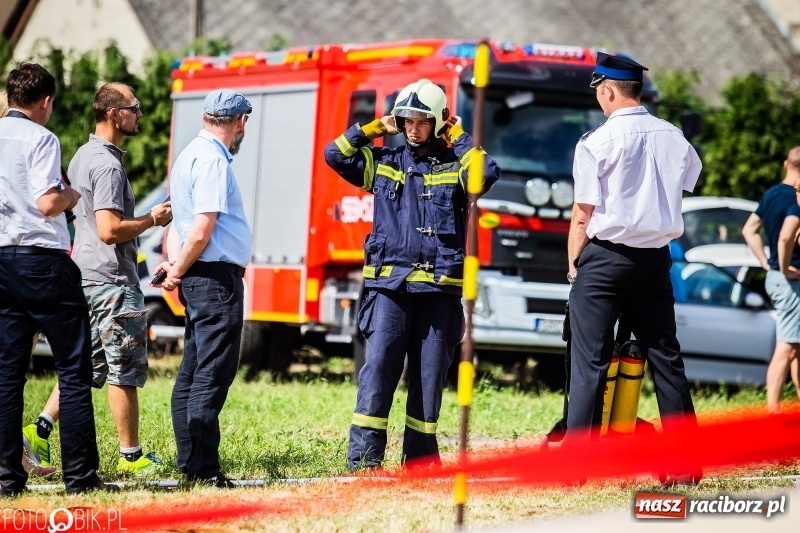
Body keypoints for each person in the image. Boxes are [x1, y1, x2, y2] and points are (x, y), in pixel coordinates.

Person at [324, 79, 500, 470]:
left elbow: (485, 173)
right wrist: (373, 128)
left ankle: (420, 462)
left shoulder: (457, 165)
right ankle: (365, 460)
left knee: (429, 376)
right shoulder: (384, 162)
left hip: (439, 290)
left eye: (421, 121)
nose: (412, 128)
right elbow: (335, 155)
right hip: (390, 288)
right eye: (406, 121)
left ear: (437, 123)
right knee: (380, 370)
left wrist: (458, 136)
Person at [21, 83, 172, 477]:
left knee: (87, 367)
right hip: (111, 280)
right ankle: (131, 453)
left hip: (84, 275)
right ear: (113, 113)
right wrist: (153, 220)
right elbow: (109, 228)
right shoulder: (106, 164)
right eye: (134, 107)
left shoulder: (83, 155)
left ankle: (39, 430)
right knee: (124, 368)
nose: (140, 113)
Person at [566, 53, 703, 482]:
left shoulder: (596, 141)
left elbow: (583, 213)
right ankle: (684, 465)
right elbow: (688, 181)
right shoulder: (675, 137)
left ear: (607, 90)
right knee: (666, 358)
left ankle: (576, 467)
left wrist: (575, 266)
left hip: (605, 258)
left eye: (599, 93)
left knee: (589, 361)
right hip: (654, 261)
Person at [0, 62, 116, 495]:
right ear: (46, 101)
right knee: (74, 366)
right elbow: (48, 202)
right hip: (42, 261)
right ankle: (81, 478)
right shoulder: (41, 137)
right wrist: (73, 194)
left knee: (8, 373)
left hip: (2, 260)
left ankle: (7, 477)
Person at [152, 88, 252, 488]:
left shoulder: (189, 154)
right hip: (214, 279)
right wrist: (177, 269)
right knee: (212, 373)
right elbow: (201, 229)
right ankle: (202, 469)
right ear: (240, 121)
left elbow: (181, 225)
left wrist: (176, 268)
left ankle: (189, 460)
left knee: (193, 372)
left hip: (200, 277)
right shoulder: (212, 160)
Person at [742, 146, 800, 413]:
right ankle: (773, 413)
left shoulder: (773, 193)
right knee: (786, 347)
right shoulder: (795, 198)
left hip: (777, 277)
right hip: (791, 281)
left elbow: (749, 229)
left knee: (795, 347)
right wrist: (784, 265)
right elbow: (787, 236)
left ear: (786, 163)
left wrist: (767, 263)